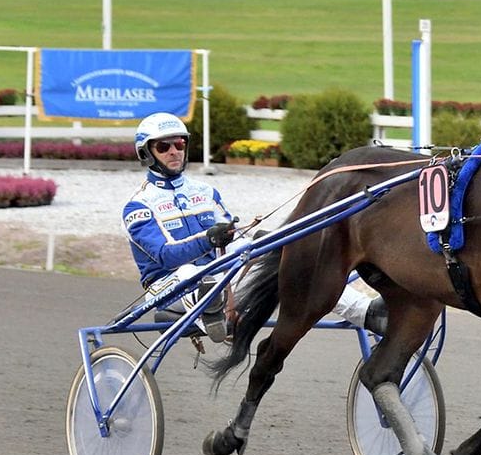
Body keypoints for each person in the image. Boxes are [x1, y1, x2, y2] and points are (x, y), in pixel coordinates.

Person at [122, 112, 386, 342]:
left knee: (293, 266)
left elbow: (231, 239)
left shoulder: (205, 192)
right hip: (168, 288)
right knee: (191, 272)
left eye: (179, 144)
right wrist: (209, 240)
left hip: (219, 279)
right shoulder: (138, 206)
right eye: (163, 146)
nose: (174, 151)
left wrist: (260, 244)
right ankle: (210, 314)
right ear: (146, 153)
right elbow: (166, 256)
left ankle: (365, 312)